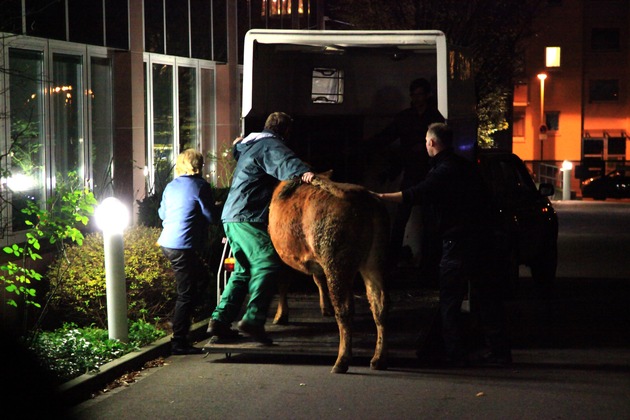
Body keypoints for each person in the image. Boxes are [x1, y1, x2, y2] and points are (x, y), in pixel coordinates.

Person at [376, 122, 511, 366]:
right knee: (486, 297)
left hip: (458, 243)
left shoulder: (444, 170)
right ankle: (499, 351)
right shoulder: (465, 166)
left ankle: (455, 354)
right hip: (482, 241)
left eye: (427, 141)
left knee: (450, 300)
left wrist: (381, 197)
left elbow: (418, 193)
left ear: (432, 143)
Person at [206, 111, 315, 345]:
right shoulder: (270, 144)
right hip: (248, 215)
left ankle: (219, 321)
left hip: (232, 216)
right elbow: (285, 162)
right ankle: (253, 320)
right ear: (285, 131)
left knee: (243, 270)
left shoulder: (250, 145)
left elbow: (240, 149)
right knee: (267, 261)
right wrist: (305, 173)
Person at [371, 78, 445, 271]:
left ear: (427, 95)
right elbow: (387, 136)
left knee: (426, 221)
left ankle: (427, 263)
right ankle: (394, 261)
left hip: (426, 174)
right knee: (402, 220)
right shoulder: (408, 117)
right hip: (414, 173)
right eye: (414, 95)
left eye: (420, 94)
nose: (416, 98)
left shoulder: (433, 117)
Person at [158, 148, 219, 355]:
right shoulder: (201, 186)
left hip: (168, 242)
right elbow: (211, 216)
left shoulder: (170, 186)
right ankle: (179, 341)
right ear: (198, 165)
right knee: (187, 292)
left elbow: (162, 213)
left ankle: (182, 321)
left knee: (199, 281)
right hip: (183, 245)